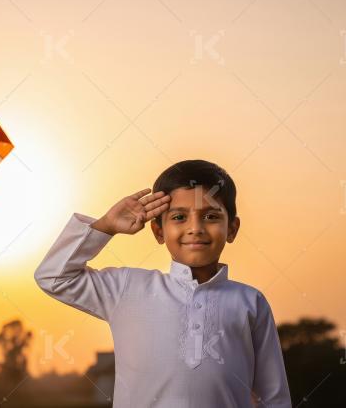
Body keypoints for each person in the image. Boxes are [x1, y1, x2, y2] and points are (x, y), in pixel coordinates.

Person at [34, 159, 292, 407]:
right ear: (159, 231)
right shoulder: (127, 289)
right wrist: (106, 226)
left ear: (232, 228)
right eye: (179, 217)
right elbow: (54, 276)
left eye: (211, 217)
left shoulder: (250, 301)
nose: (195, 228)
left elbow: (273, 396)